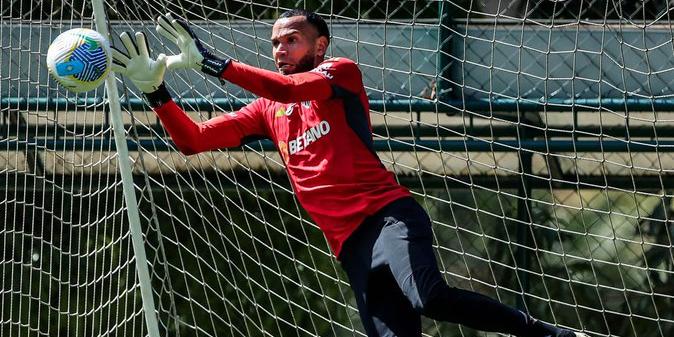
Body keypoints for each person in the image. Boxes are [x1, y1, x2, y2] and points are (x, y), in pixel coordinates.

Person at [111, 9, 589, 337]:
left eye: (291, 40)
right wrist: (157, 93)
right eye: (275, 42)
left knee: (428, 296)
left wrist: (216, 63)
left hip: (388, 218)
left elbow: (289, 89)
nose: (280, 48)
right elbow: (192, 141)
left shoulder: (339, 72)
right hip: (349, 246)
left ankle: (546, 333)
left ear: (319, 45)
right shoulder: (264, 110)